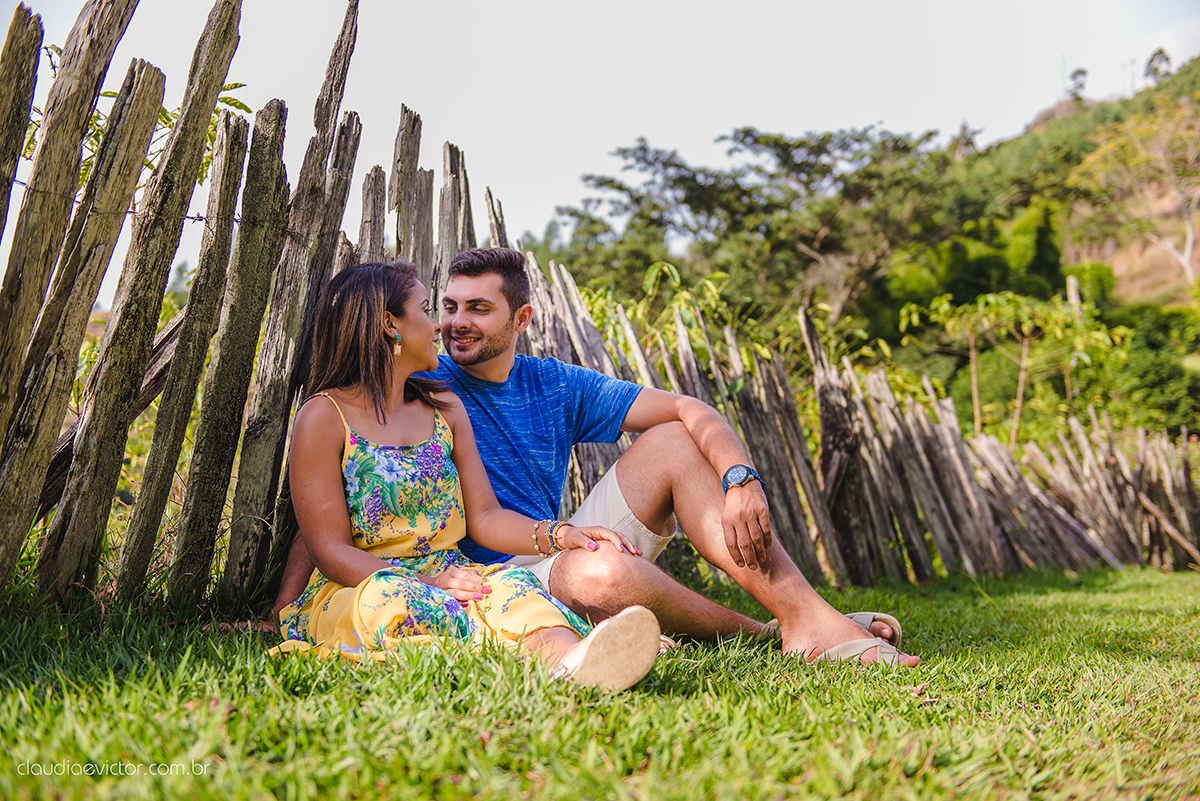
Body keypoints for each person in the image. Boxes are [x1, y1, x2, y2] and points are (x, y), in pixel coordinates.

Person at [277, 248, 917, 666]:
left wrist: (741, 476)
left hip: (531, 550)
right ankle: (776, 636)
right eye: (443, 308)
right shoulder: (416, 386)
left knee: (669, 442)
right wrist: (285, 606)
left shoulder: (526, 389)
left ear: (521, 317)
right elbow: (332, 516)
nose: (452, 324)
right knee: (598, 575)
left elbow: (692, 410)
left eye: (477, 308)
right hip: (471, 573)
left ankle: (806, 618)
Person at [271, 261, 663, 691]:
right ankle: (505, 655)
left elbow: (486, 518)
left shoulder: (445, 410)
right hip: (366, 581)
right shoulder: (325, 416)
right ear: (389, 325)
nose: (439, 326)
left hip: (454, 571)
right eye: (425, 309)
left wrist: (560, 534)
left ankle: (570, 661)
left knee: (514, 589)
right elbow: (328, 550)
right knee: (388, 604)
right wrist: (425, 582)